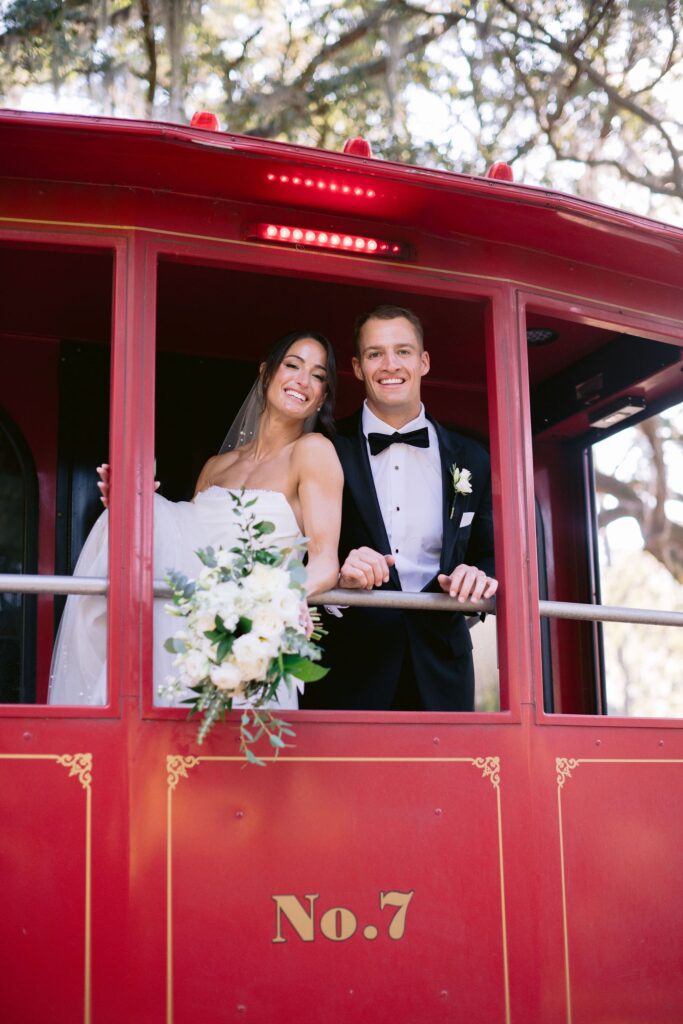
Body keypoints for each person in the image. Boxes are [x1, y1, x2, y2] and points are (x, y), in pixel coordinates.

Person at [49, 331, 343, 706]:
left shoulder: (313, 452)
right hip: (192, 628)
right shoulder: (217, 467)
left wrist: (281, 601)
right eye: (292, 365)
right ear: (267, 373)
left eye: (318, 376)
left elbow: (324, 560)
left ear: (323, 396)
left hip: (251, 639)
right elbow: (186, 543)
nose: (303, 381)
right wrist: (137, 510)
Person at [302, 305, 497, 712]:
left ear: (423, 361)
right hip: (349, 668)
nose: (390, 365)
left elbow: (490, 553)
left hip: (444, 670)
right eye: (375, 354)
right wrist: (339, 576)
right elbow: (295, 551)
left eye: (403, 352)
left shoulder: (473, 457)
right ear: (357, 367)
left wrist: (478, 575)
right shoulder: (326, 449)